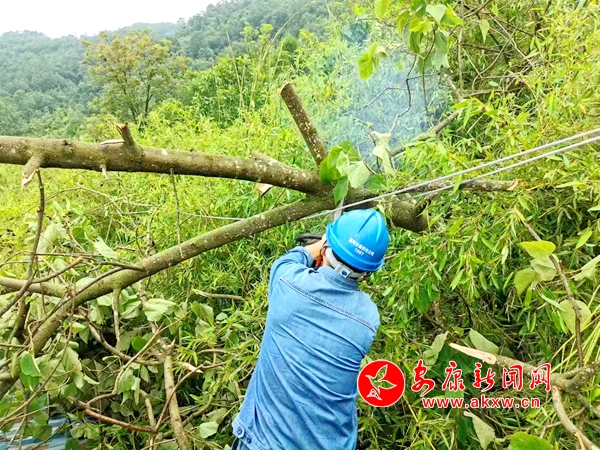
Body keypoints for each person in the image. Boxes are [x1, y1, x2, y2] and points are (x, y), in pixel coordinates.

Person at [231, 209, 390, 450]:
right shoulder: (368, 318)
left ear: (325, 249)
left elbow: (290, 259)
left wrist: (318, 245)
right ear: (367, 275)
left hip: (266, 443)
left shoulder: (288, 281)